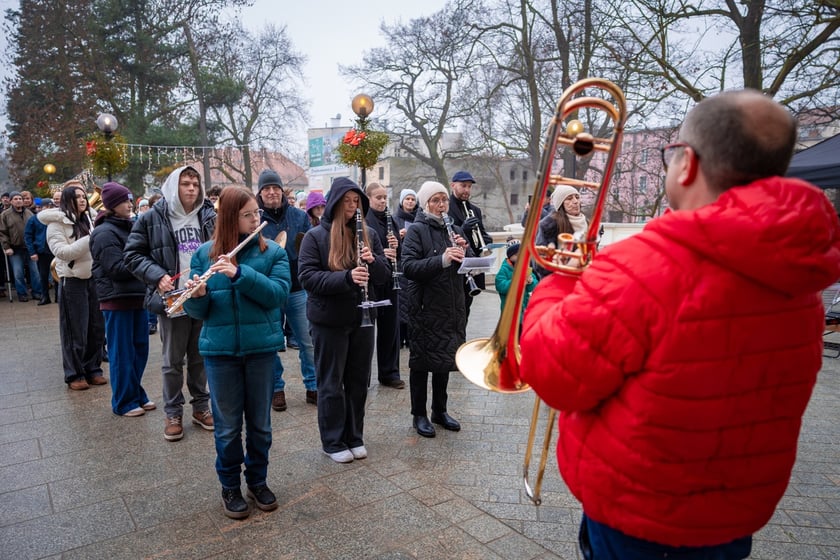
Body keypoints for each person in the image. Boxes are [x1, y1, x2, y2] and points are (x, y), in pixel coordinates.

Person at [519, 90, 840, 560]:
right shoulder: (798, 269)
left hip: (638, 515)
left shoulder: (643, 266)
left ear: (686, 163)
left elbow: (554, 375)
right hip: (734, 511)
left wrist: (556, 284)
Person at [182, 187, 290, 520]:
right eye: (249, 214)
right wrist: (196, 295)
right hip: (220, 353)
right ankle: (229, 485)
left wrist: (240, 274)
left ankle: (257, 481)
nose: (257, 219)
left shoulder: (272, 252)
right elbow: (199, 313)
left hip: (261, 351)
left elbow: (277, 295)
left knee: (260, 425)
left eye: (257, 213)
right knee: (228, 427)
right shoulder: (203, 255)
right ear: (230, 217)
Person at [298, 177, 390, 463]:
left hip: (362, 317)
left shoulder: (369, 234)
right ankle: (333, 440)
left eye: (356, 201)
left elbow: (384, 277)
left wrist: (373, 263)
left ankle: (354, 436)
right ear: (335, 202)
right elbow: (307, 277)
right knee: (331, 382)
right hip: (329, 321)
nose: (352, 207)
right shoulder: (315, 236)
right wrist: (346, 277)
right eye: (347, 201)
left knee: (358, 381)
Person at [125, 165, 216, 441]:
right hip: (173, 298)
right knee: (172, 360)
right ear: (173, 186)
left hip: (202, 295)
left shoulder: (209, 215)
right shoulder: (152, 217)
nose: (191, 188)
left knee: (200, 356)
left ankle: (201, 407)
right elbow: (132, 255)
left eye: (195, 184)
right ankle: (173, 412)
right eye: (185, 183)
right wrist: (157, 276)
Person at [401, 181, 472, 438]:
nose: (442, 205)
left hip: (451, 305)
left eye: (444, 200)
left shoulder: (451, 227)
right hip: (425, 306)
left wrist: (465, 251)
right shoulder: (417, 230)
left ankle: (439, 410)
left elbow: (467, 261)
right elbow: (408, 267)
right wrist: (441, 260)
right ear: (425, 203)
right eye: (436, 200)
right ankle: (418, 414)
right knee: (421, 362)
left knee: (445, 358)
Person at [255, 169, 317, 412]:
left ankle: (313, 385)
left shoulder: (299, 216)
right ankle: (276, 388)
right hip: (268, 288)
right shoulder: (255, 218)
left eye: (275, 188)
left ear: (282, 191)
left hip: (297, 288)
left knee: (307, 340)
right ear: (260, 192)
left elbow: (308, 246)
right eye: (267, 189)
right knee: (271, 342)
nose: (272, 192)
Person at [90, 182, 153, 417]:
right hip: (117, 299)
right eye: (125, 200)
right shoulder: (104, 233)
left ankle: (136, 392)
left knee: (140, 350)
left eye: (130, 199)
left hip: (137, 296)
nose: (130, 204)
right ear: (112, 205)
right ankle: (123, 401)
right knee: (121, 353)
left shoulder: (131, 226)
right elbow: (115, 268)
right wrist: (145, 262)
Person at [38, 181, 106, 390]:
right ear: (68, 200)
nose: (83, 200)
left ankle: (93, 369)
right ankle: (74, 374)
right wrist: (90, 238)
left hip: (93, 278)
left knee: (96, 328)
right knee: (74, 330)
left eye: (84, 196)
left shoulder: (92, 219)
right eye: (77, 197)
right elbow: (63, 253)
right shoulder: (55, 225)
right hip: (72, 281)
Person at [364, 182, 405, 389]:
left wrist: (397, 247)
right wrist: (382, 255)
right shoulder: (363, 220)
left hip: (390, 279)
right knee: (368, 329)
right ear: (369, 199)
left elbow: (400, 250)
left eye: (384, 198)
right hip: (371, 280)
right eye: (378, 197)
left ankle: (389, 372)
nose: (382, 201)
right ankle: (363, 374)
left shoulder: (392, 220)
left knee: (391, 327)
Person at [447, 171, 492, 319]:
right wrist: (463, 229)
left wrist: (487, 242)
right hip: (455, 265)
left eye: (469, 186)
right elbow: (447, 236)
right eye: (463, 186)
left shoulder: (475, 210)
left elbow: (482, 234)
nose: (467, 190)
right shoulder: (446, 207)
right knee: (454, 311)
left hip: (472, 266)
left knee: (466, 309)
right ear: (453, 185)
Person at [535, 185, 588, 277]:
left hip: (584, 279)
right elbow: (539, 263)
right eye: (569, 198)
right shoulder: (549, 225)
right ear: (561, 204)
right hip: (558, 281)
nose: (575, 201)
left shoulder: (588, 223)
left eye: (577, 197)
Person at [1, 191, 42, 301]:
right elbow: (2, 232)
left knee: (35, 272)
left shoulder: (29, 213)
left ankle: (37, 292)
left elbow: (36, 229)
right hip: (14, 249)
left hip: (30, 248)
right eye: (16, 199)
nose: (18, 201)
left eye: (20, 199)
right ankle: (22, 293)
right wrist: (6, 247)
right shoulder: (5, 215)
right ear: (11, 201)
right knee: (18, 273)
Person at [393, 188, 418, 348]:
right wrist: (398, 236)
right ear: (402, 201)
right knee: (400, 303)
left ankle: (410, 337)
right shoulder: (395, 219)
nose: (410, 202)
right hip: (400, 264)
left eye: (413, 199)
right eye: (407, 199)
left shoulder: (419, 219)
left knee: (412, 302)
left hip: (414, 264)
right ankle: (400, 337)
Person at [24, 195, 54, 305]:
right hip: (41, 251)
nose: (47, 209)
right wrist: (32, 252)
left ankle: (58, 297)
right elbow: (28, 236)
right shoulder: (33, 219)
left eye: (50, 207)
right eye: (45, 207)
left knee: (57, 275)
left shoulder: (55, 218)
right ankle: (45, 297)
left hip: (54, 249)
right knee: (43, 275)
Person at [494, 240, 537, 314]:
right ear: (510, 256)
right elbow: (500, 286)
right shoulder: (504, 269)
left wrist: (531, 282)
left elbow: (534, 286)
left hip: (524, 308)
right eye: (517, 255)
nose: (521, 256)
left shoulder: (525, 267)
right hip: (510, 310)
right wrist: (517, 281)